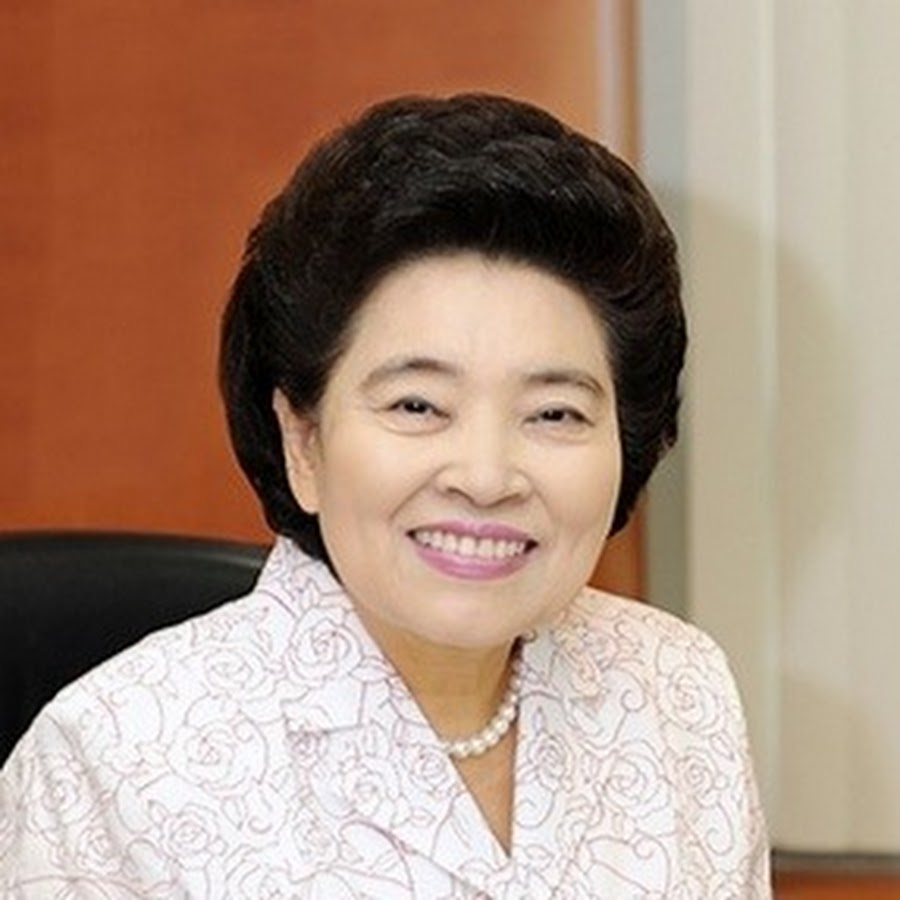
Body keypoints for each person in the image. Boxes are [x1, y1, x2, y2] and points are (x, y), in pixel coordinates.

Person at [0, 93, 770, 898]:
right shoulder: (118, 761)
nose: (485, 477)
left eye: (554, 414)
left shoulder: (676, 687)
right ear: (304, 442)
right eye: (417, 406)